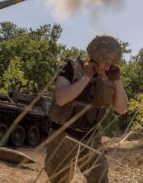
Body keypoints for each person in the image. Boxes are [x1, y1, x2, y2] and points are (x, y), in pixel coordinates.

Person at [45, 35, 128, 183]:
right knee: (59, 179)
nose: (108, 67)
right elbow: (61, 98)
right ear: (95, 56)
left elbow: (122, 109)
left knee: (100, 178)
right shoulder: (71, 68)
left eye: (112, 64)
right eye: (106, 62)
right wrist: (86, 78)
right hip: (62, 134)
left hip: (90, 137)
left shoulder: (109, 76)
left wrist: (117, 80)